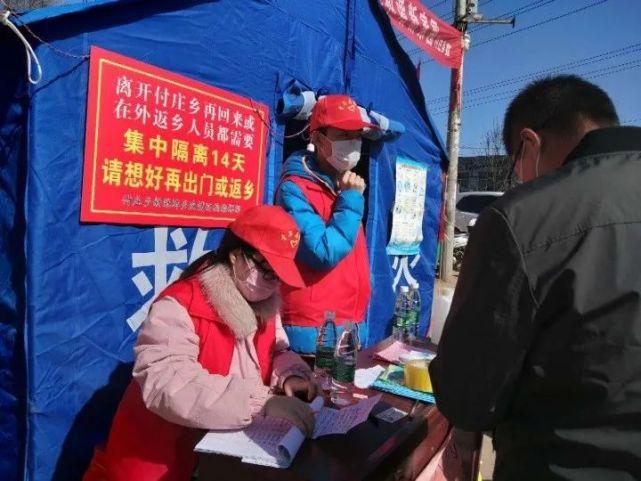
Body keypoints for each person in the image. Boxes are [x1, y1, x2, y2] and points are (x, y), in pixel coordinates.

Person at [429, 75, 641, 480]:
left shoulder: (524, 217)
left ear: (530, 143)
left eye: (515, 166)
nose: (520, 179)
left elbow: (467, 394)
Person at [83, 205, 319, 481]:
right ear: (236, 257)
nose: (272, 283)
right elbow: (169, 383)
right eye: (267, 271)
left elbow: (276, 349)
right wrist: (261, 402)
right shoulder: (179, 306)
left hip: (218, 459)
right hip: (161, 463)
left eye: (279, 276)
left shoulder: (264, 303)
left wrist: (291, 375)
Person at [276, 94, 373, 353]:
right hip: (314, 333)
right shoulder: (294, 189)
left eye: (357, 135)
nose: (353, 143)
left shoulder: (344, 187)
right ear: (318, 139)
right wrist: (351, 201)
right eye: (343, 134)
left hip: (349, 327)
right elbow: (322, 251)